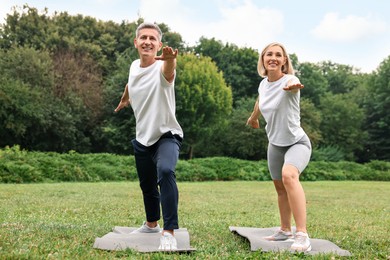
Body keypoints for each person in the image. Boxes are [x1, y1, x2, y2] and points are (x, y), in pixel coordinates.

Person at [114, 22, 183, 251]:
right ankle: (152, 224)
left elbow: (169, 72)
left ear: (159, 45)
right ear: (136, 42)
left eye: (152, 39)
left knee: (165, 171)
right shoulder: (134, 65)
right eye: (143, 37)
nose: (147, 42)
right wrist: (125, 98)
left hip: (166, 135)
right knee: (147, 184)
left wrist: (170, 59)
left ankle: (169, 232)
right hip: (143, 137)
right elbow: (131, 81)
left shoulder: (162, 68)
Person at [246, 42, 312, 252]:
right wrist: (254, 118)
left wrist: (293, 89)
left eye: (278, 55)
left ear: (284, 61)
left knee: (289, 176)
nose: (273, 58)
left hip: (296, 142)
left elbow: (293, 87)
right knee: (280, 188)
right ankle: (285, 230)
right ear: (263, 59)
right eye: (269, 54)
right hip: (275, 143)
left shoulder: (291, 80)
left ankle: (301, 234)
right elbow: (260, 100)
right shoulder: (263, 84)